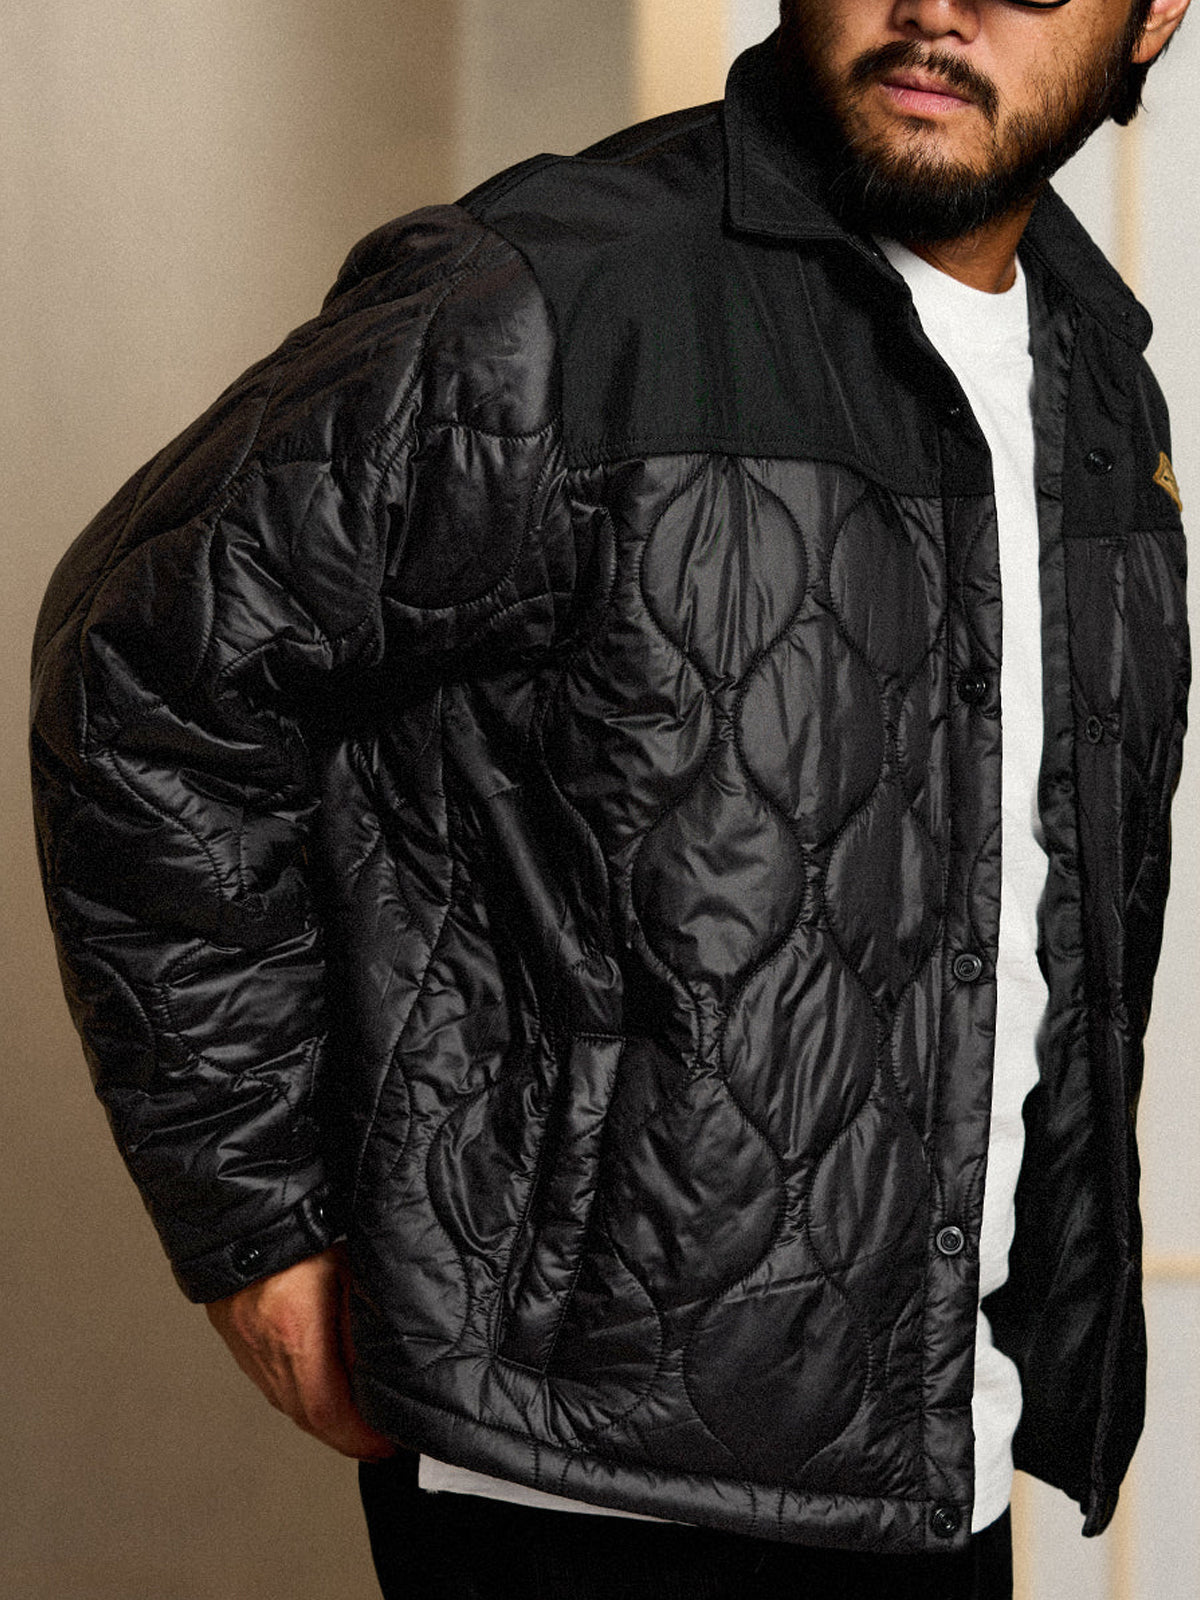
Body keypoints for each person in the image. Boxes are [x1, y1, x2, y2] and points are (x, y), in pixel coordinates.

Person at [30, 1, 1192, 1596]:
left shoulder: (1099, 375)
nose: (937, 2)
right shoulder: (555, 297)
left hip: (930, 1466)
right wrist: (258, 1225)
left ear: (1156, 13)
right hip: (567, 1483)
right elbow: (142, 672)